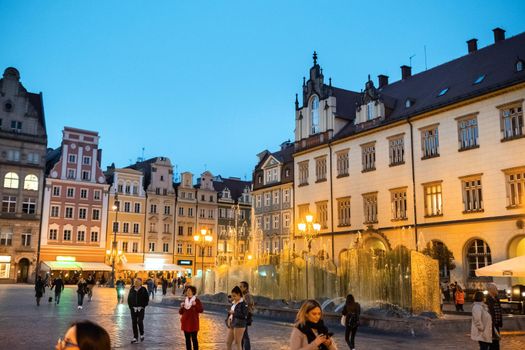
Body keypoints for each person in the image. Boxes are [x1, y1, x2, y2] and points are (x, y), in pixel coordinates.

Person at [179, 285, 204, 350]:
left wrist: (195, 305)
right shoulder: (185, 300)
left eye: (189, 291)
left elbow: (201, 310)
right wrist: (181, 307)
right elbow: (181, 312)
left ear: (193, 292)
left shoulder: (196, 300)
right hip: (185, 323)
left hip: (193, 323)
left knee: (194, 339)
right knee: (187, 339)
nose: (188, 292)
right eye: (187, 291)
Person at [226, 286, 249, 350]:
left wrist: (234, 313)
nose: (233, 298)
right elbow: (231, 313)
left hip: (239, 324)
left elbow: (245, 315)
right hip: (232, 323)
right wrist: (228, 319)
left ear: (239, 294)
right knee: (228, 342)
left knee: (237, 343)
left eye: (234, 296)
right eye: (232, 296)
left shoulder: (243, 304)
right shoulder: (234, 303)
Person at [128, 277, 149, 344]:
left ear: (140, 282)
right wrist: (131, 307)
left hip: (141, 309)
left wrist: (142, 306)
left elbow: (146, 299)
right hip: (133, 309)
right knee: (134, 323)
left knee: (139, 321)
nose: (135, 282)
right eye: (135, 281)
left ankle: (142, 334)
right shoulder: (132, 289)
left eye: (137, 281)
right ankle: (135, 338)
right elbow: (129, 299)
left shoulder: (143, 289)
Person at [486, 283, 503, 350]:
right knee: (492, 341)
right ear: (492, 289)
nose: (497, 289)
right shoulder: (488, 299)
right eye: (496, 288)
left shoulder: (496, 298)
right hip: (491, 323)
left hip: (496, 323)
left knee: (496, 340)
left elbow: (498, 309)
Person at [239, 281, 254, 350]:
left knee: (244, 335)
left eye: (241, 286)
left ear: (245, 287)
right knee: (242, 335)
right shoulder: (244, 295)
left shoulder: (247, 295)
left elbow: (249, 305)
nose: (240, 288)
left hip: (245, 317)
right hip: (243, 317)